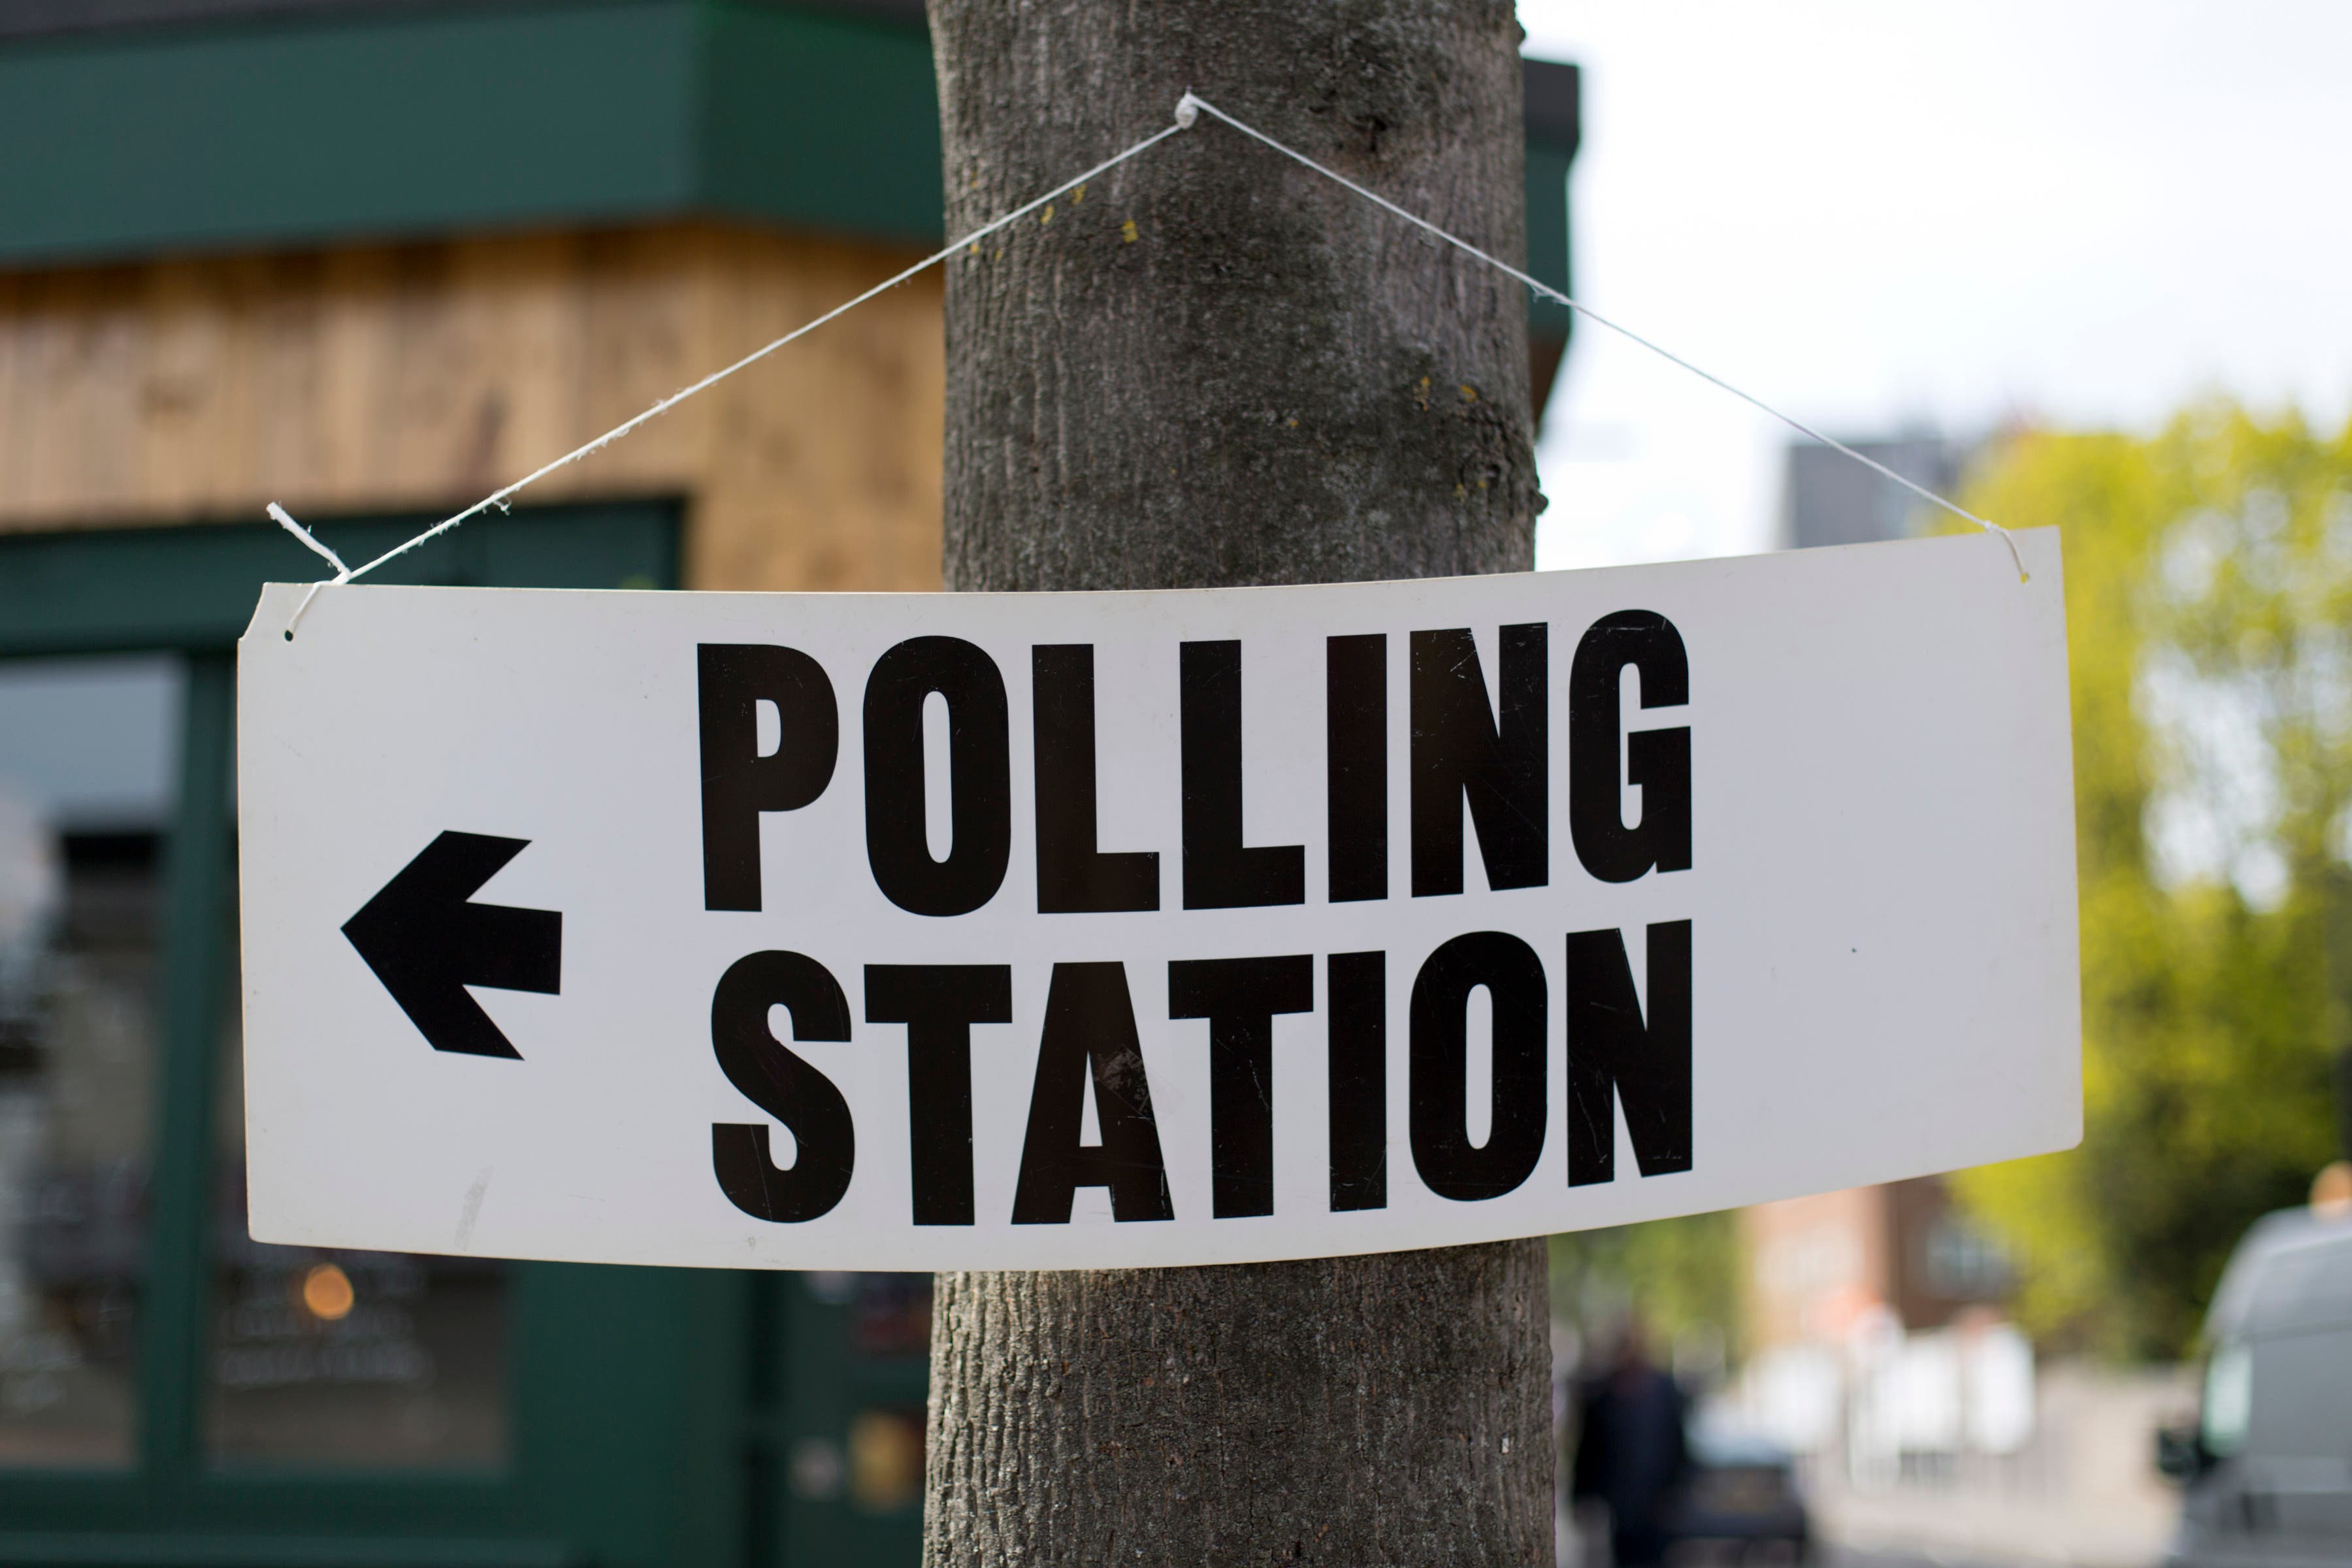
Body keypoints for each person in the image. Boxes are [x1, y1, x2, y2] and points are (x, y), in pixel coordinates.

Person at [1571, 1322, 1691, 1567]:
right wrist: (1582, 1497)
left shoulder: (1665, 1392)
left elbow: (1679, 1446)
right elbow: (1588, 1450)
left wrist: (1678, 1491)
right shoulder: (1601, 1395)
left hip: (1657, 1507)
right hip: (1618, 1508)